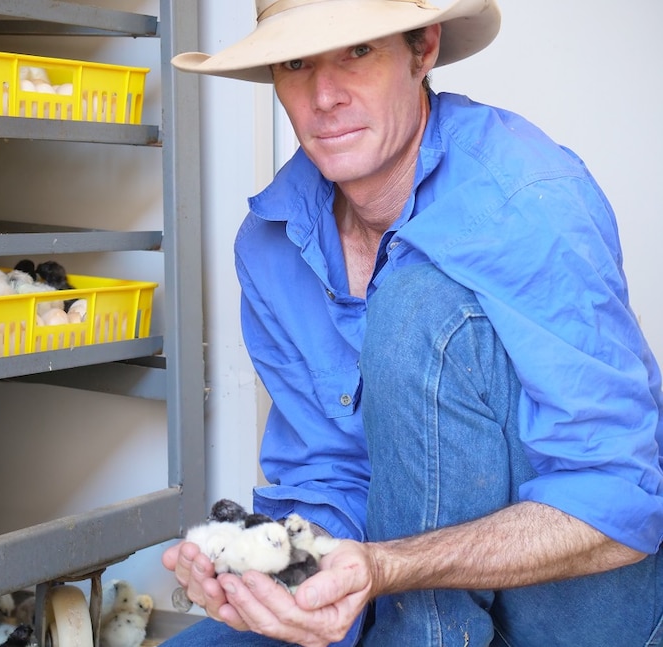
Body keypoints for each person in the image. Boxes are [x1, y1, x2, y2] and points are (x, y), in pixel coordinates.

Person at [162, 1, 663, 645]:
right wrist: (275, 571)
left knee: (419, 300)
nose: (324, 95)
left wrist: (389, 567)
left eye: (358, 52)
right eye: (295, 63)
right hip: (387, 588)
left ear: (422, 50)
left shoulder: (528, 201)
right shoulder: (270, 242)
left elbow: (621, 496)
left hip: (574, 603)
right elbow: (329, 472)